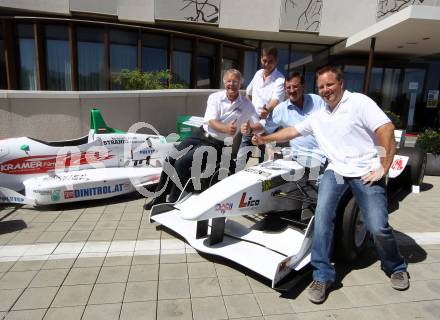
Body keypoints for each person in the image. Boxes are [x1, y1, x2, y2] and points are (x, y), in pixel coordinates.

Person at [252, 65, 409, 304]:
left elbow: (386, 128)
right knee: (323, 218)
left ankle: (395, 266)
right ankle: (322, 276)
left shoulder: (359, 103)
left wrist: (383, 167)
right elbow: (291, 132)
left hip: (366, 171)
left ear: (341, 83)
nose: (326, 90)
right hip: (336, 171)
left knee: (377, 226)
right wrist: (264, 138)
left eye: (330, 85)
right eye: (322, 87)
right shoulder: (320, 114)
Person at [144, 69, 258, 209]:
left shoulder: (246, 105)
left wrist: (250, 129)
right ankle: (159, 198)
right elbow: (211, 121)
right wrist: (226, 128)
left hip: (218, 144)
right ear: (224, 82)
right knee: (170, 158)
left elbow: (256, 123)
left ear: (241, 83)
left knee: (181, 164)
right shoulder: (215, 98)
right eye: (229, 81)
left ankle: (174, 200)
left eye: (235, 81)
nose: (232, 84)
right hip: (200, 134)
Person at [241, 71, 325, 168]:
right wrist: (250, 129)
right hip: (303, 158)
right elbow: (264, 125)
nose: (292, 90)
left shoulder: (317, 101)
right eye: (288, 87)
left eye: (295, 86)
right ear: (285, 89)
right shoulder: (281, 109)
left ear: (303, 87)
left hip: (326, 153)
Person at [240, 47, 285, 162]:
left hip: (267, 125)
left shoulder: (280, 79)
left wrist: (267, 109)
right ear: (261, 59)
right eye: (264, 61)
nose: (267, 64)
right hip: (251, 122)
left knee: (266, 160)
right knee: (241, 156)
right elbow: (248, 93)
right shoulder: (258, 74)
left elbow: (275, 101)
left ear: (276, 61)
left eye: (271, 61)